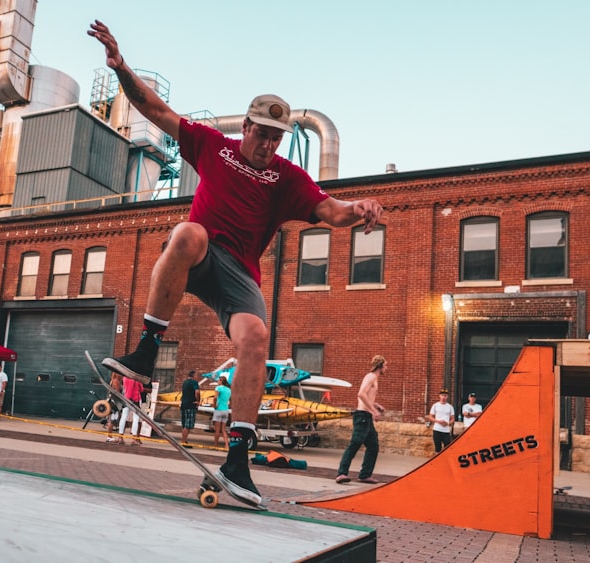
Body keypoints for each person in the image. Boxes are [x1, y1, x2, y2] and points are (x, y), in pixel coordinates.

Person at [88, 20, 384, 507]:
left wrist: (360, 210)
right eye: (261, 135)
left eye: (276, 139)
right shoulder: (212, 146)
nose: (268, 146)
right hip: (200, 254)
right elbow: (155, 109)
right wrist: (121, 70)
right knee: (185, 233)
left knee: (256, 338)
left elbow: (330, 211)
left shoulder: (288, 178)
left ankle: (239, 460)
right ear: (244, 128)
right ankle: (145, 350)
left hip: (239, 273)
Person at [335, 355, 386, 484]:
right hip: (362, 416)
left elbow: (366, 397)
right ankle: (341, 474)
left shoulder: (373, 378)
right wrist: (374, 411)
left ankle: (365, 475)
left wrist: (376, 405)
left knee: (373, 446)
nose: (387, 368)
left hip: (366, 416)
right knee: (355, 444)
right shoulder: (371, 377)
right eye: (385, 365)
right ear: (380, 366)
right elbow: (361, 394)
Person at [117, 376, 145, 445]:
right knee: (135, 419)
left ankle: (120, 437)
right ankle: (134, 438)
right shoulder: (137, 379)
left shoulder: (125, 378)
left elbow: (124, 387)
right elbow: (141, 389)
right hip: (136, 399)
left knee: (123, 417)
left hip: (126, 398)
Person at [428, 389, 455, 453]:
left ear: (447, 397)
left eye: (445, 395)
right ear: (439, 396)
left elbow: (452, 419)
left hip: (446, 430)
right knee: (438, 447)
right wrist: (438, 421)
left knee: (448, 447)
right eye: (442, 395)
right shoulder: (435, 405)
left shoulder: (450, 407)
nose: (443, 397)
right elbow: (430, 417)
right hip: (437, 429)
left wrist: (447, 423)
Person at [179, 369, 200, 448]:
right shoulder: (194, 383)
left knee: (184, 424)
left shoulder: (185, 382)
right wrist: (198, 401)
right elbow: (197, 392)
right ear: (193, 376)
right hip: (190, 405)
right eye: (197, 375)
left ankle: (184, 440)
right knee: (188, 425)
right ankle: (183, 442)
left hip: (184, 404)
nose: (197, 377)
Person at [212, 375, 231, 448]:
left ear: (221, 381)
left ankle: (216, 445)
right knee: (223, 429)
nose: (217, 382)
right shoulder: (229, 390)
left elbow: (215, 398)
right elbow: (229, 400)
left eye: (218, 380)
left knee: (217, 430)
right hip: (225, 410)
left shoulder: (218, 388)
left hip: (219, 409)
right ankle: (226, 445)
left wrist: (214, 405)